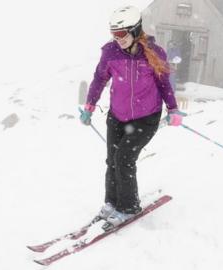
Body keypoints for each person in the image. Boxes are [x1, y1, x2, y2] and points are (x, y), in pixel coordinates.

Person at [79, 6, 184, 231]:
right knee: (111, 160)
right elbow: (99, 79)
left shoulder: (154, 53)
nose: (117, 39)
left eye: (121, 34)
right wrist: (89, 106)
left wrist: (173, 109)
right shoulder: (110, 52)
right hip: (117, 117)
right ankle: (112, 203)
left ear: (135, 30)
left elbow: (164, 83)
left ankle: (128, 207)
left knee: (124, 158)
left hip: (146, 118)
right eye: (113, 34)